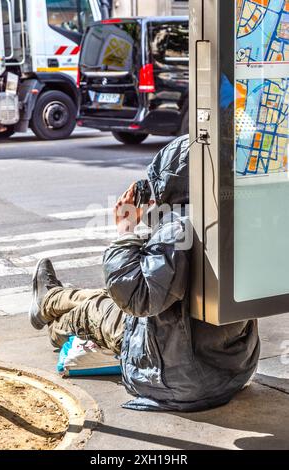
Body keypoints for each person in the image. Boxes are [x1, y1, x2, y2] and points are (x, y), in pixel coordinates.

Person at [28, 135, 260, 411]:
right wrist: (154, 218)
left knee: (92, 309)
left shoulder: (179, 228)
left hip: (177, 374)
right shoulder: (233, 215)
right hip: (229, 368)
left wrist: (125, 232)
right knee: (104, 298)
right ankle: (49, 298)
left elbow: (137, 297)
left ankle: (50, 314)